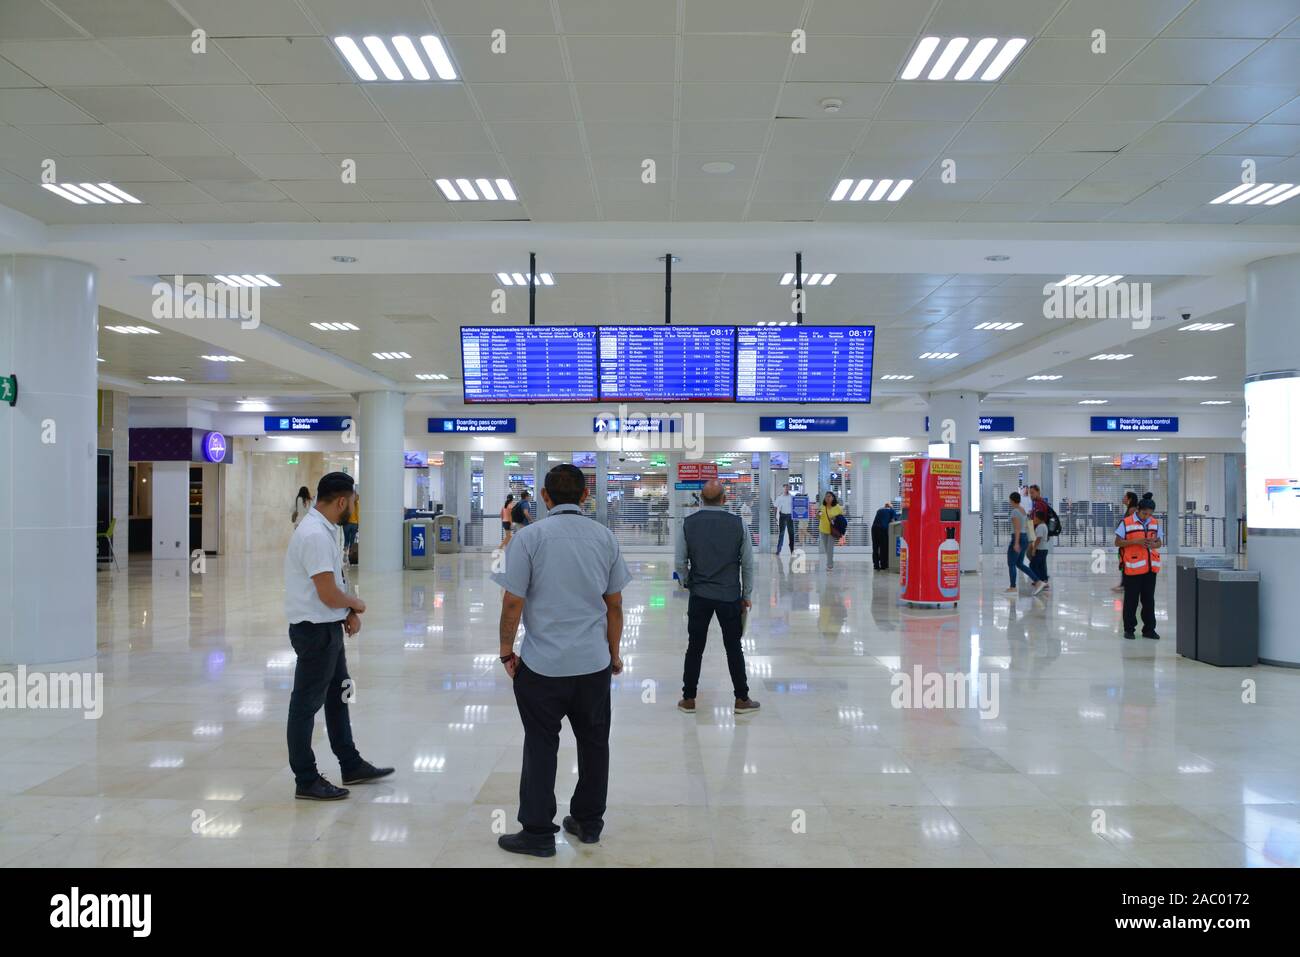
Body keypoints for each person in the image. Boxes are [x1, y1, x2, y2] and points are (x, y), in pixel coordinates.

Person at [492, 465, 629, 857]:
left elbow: (513, 601)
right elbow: (614, 604)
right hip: (592, 665)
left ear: (544, 496)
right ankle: (588, 823)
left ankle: (537, 833)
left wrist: (506, 651)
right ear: (585, 496)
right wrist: (614, 653)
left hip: (542, 666)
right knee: (594, 742)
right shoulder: (605, 538)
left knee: (540, 744)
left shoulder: (529, 538)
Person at [283, 472, 392, 800]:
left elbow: (333, 588)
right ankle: (306, 779)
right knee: (305, 705)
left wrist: (345, 614)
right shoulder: (315, 534)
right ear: (342, 501)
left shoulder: (326, 529)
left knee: (339, 695)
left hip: (327, 627)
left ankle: (350, 763)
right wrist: (354, 604)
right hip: (314, 632)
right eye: (354, 502)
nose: (355, 508)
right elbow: (328, 592)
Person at [675, 480, 760, 717]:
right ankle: (742, 699)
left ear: (701, 499)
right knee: (734, 647)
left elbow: (680, 562)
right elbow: (748, 564)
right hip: (729, 595)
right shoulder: (738, 524)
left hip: (700, 594)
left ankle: (689, 698)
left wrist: (686, 583)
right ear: (724, 499)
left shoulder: (688, 524)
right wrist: (747, 595)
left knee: (695, 647)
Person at [1115, 494, 1163, 640]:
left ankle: (1149, 629)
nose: (1147, 517)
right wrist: (1137, 541)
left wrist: (1153, 544)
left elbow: (1159, 543)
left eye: (1150, 514)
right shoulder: (1126, 522)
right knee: (1131, 601)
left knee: (1149, 600)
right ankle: (1129, 629)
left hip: (1150, 569)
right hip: (1133, 568)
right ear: (1138, 510)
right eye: (1144, 513)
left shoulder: (1154, 523)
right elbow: (1118, 542)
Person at [1006, 492, 1045, 595]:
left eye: (1010, 500)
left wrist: (1016, 543)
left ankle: (1013, 587)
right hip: (1025, 539)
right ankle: (1037, 581)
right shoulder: (1022, 510)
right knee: (1019, 563)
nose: (1009, 502)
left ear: (1012, 500)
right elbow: (1027, 525)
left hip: (1017, 538)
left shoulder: (1014, 511)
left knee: (1011, 563)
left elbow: (1017, 528)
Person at [1112, 491, 1139, 592]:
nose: (1122, 498)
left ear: (1129, 499)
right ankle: (1124, 584)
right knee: (1124, 563)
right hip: (1126, 542)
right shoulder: (1130, 509)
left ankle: (1125, 585)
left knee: (1126, 563)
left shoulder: (1132, 510)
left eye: (1124, 497)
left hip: (1128, 542)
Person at [817, 491, 845, 570]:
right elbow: (819, 517)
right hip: (823, 529)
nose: (827, 498)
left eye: (829, 496)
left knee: (830, 548)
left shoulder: (837, 507)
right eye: (826, 497)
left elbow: (842, 518)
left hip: (832, 530)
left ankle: (830, 565)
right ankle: (830, 561)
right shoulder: (822, 506)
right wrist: (817, 514)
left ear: (833, 498)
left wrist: (835, 518)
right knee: (827, 548)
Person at [871, 500, 897, 570]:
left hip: (874, 528)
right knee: (883, 547)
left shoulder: (879, 510)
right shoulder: (892, 511)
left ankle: (876, 565)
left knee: (875, 547)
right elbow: (893, 521)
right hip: (883, 529)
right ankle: (883, 565)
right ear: (891, 507)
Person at [1028, 512, 1050, 589]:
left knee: (1032, 565)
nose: (1034, 519)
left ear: (1038, 518)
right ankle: (1044, 581)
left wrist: (1034, 549)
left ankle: (1038, 581)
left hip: (1040, 549)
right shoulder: (1044, 526)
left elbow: (1038, 539)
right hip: (1044, 549)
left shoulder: (1040, 526)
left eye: (1035, 517)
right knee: (1041, 566)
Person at [773, 483, 795, 554]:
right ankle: (778, 549)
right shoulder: (780, 497)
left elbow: (795, 507)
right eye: (785, 488)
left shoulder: (792, 497)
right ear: (783, 489)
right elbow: (775, 507)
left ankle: (792, 549)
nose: (786, 489)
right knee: (781, 533)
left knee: (791, 533)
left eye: (787, 488)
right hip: (782, 516)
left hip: (790, 516)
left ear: (789, 489)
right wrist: (774, 516)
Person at [342, 487, 359, 560]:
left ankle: (345, 554)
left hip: (346, 523)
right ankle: (350, 555)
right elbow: (358, 514)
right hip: (354, 524)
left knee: (346, 539)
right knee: (352, 540)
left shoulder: (346, 503)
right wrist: (358, 523)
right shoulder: (356, 503)